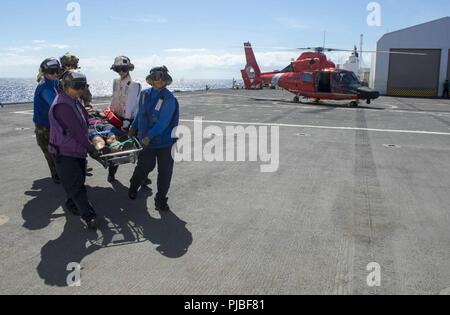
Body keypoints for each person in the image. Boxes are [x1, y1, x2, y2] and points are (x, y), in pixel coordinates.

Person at [48, 71, 101, 230]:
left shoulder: (74, 100)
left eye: (81, 88)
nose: (79, 91)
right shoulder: (63, 105)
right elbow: (77, 131)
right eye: (76, 88)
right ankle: (89, 216)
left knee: (78, 180)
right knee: (77, 185)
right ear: (65, 86)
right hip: (64, 152)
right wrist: (91, 148)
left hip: (76, 150)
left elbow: (84, 118)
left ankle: (71, 203)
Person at [128, 66, 179, 212]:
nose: (159, 81)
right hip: (146, 139)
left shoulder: (169, 98)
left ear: (166, 80)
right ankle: (133, 186)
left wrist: (149, 136)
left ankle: (161, 199)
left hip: (164, 142)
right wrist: (133, 127)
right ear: (151, 79)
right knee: (145, 166)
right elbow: (140, 113)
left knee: (165, 171)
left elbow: (163, 122)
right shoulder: (144, 94)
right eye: (156, 77)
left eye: (162, 78)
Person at [108, 56, 143, 183]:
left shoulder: (135, 85)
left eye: (124, 69)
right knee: (114, 146)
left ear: (128, 69)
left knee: (137, 148)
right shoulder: (115, 82)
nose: (121, 71)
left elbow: (130, 104)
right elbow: (114, 99)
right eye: (118, 69)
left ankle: (141, 177)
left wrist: (127, 121)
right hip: (117, 118)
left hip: (130, 120)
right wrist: (109, 112)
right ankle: (111, 173)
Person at [33, 58, 61, 184]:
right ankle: (56, 176)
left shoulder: (54, 82)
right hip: (43, 128)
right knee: (50, 153)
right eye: (51, 71)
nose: (55, 74)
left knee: (58, 151)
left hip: (52, 125)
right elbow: (55, 104)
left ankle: (61, 173)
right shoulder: (44, 87)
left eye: (57, 71)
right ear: (45, 72)